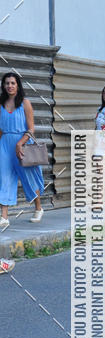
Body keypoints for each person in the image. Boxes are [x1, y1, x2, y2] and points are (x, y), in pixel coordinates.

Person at [0, 71, 44, 227]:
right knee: (3, 178)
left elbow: (32, 129)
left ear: (17, 85)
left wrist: (20, 143)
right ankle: (4, 216)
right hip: (4, 144)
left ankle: (38, 208)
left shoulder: (25, 103)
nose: (10, 86)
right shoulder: (1, 103)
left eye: (12, 83)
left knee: (29, 177)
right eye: (7, 83)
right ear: (3, 86)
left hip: (22, 144)